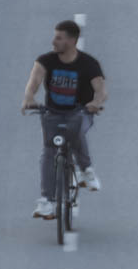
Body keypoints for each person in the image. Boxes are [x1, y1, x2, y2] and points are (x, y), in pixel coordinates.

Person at [21, 18, 105, 219]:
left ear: (72, 41)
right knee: (49, 152)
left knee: (76, 131)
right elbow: (35, 80)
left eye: (59, 38)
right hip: (52, 112)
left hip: (80, 112)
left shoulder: (89, 64)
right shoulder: (46, 60)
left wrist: (96, 102)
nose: (53, 41)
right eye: (55, 37)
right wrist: (29, 97)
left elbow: (101, 90)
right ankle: (47, 201)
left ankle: (86, 169)